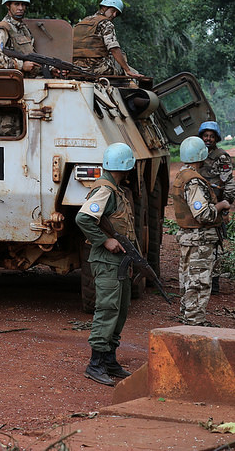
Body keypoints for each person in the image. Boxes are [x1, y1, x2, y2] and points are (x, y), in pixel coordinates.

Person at [75, 142, 138, 386]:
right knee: (107, 309)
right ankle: (96, 363)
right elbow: (83, 218)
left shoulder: (116, 190)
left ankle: (110, 360)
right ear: (125, 166)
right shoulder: (105, 190)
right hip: (106, 261)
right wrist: (105, 240)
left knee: (120, 310)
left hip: (119, 262)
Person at [173, 136, 231, 326]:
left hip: (189, 238)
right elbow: (203, 214)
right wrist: (221, 205)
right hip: (199, 240)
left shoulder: (181, 175)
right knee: (198, 282)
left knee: (188, 280)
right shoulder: (194, 181)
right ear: (201, 156)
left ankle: (188, 318)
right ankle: (194, 323)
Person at [197, 121, 235, 294]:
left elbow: (229, 184)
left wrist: (225, 207)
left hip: (216, 206)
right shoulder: (196, 153)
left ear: (216, 138)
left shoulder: (221, 157)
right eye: (205, 136)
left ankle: (214, 283)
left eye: (211, 136)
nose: (208, 139)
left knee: (214, 244)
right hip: (198, 206)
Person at [72, 0, 143, 78]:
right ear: (104, 7)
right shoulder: (106, 23)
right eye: (113, 11)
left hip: (75, 67)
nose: (114, 15)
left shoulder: (81, 22)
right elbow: (114, 49)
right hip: (96, 68)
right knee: (128, 70)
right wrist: (128, 70)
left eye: (116, 13)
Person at [0, 0, 40, 77]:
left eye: (23, 4)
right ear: (8, 5)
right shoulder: (4, 28)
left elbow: (31, 57)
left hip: (24, 81)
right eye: (16, 4)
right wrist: (20, 65)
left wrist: (51, 69)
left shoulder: (24, 29)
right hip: (7, 82)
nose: (20, 8)